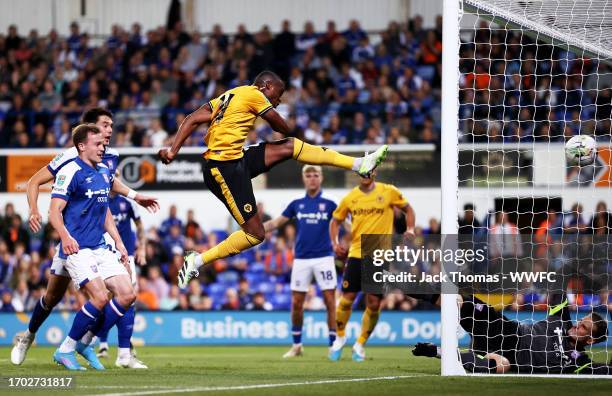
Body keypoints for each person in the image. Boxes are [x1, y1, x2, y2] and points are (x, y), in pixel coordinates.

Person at [158, 71, 388, 288]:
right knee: (256, 234)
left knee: (291, 147)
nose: (277, 101)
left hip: (237, 159)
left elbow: (191, 118)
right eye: (277, 95)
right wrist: (276, 115)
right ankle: (196, 261)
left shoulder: (230, 95)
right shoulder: (255, 95)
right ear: (266, 86)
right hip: (223, 170)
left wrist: (172, 150)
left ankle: (359, 164)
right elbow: (281, 126)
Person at [11, 108, 158, 368]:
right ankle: (28, 336)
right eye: (104, 126)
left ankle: (87, 343)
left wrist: (134, 199)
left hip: (96, 240)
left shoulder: (108, 158)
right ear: (89, 132)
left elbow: (109, 187)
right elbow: (35, 182)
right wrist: (34, 210)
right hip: (72, 238)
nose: (109, 131)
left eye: (111, 126)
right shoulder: (69, 160)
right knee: (52, 297)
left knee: (118, 294)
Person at [47, 124, 136, 370]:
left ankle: (85, 343)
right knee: (99, 297)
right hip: (77, 248)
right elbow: (54, 212)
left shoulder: (105, 171)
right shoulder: (70, 171)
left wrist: (118, 242)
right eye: (97, 144)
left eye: (103, 144)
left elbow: (104, 209)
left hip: (99, 245)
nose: (103, 147)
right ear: (81, 146)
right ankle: (65, 350)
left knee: (127, 294)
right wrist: (65, 236)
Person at [328, 170, 415, 362]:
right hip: (356, 253)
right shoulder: (350, 198)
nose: (366, 173)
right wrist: (335, 243)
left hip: (379, 256)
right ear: (357, 173)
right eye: (362, 170)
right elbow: (335, 221)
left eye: (370, 169)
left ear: (375, 173)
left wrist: (410, 228)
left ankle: (359, 345)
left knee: (374, 303)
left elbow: (408, 209)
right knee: (346, 298)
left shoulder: (389, 191)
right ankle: (340, 337)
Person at [412, 294, 611, 375]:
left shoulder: (580, 362)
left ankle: (436, 351)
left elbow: (605, 371)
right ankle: (405, 286)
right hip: (505, 329)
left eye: (584, 328)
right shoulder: (561, 318)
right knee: (458, 299)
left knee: (501, 366)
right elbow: (560, 282)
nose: (577, 326)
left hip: (509, 357)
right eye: (581, 321)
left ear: (591, 339)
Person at [264, 165, 338, 358]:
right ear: (303, 179)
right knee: (297, 303)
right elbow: (274, 223)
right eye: (308, 175)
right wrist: (254, 229)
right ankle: (297, 345)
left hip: (324, 257)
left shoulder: (330, 205)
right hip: (301, 259)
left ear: (321, 178)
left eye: (316, 175)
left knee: (330, 301)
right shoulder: (296, 204)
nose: (312, 178)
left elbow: (347, 224)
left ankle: (333, 345)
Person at [95, 192, 148, 369]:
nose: (115, 177)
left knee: (129, 298)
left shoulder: (127, 203)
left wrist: (142, 248)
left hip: (127, 256)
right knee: (104, 299)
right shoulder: (97, 198)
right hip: (105, 254)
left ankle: (125, 347)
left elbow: (140, 226)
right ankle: (100, 341)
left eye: (116, 174)